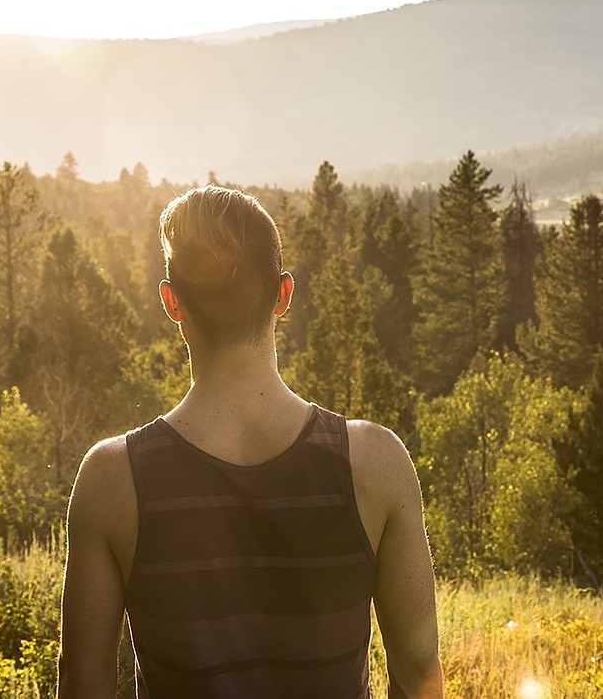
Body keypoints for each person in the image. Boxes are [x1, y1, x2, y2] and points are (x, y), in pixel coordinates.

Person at [58, 185, 443, 698]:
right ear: (284, 294)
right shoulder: (375, 463)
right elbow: (419, 675)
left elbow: (83, 684)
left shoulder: (112, 479)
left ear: (171, 303)